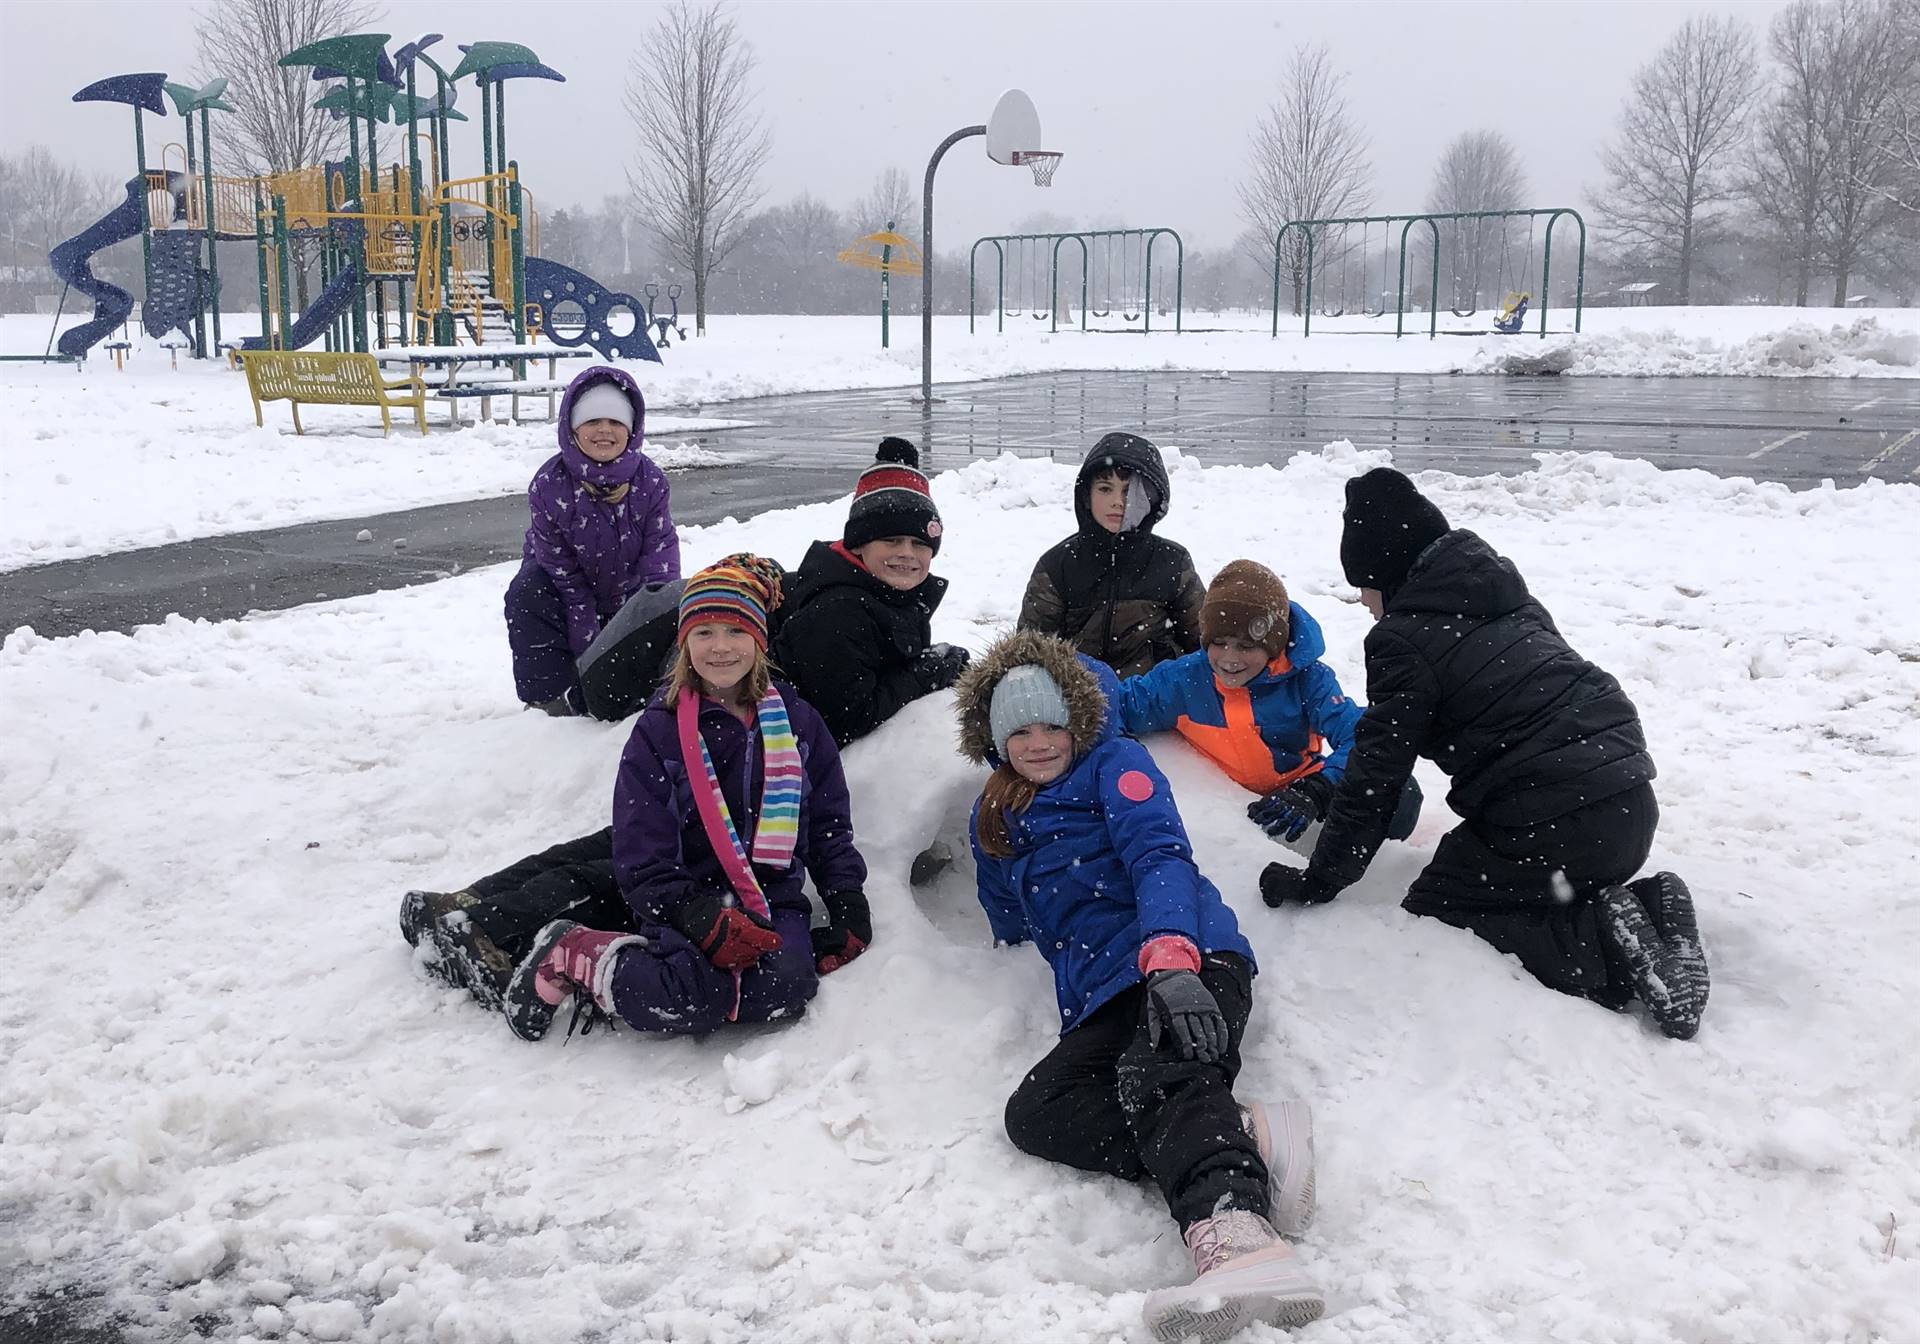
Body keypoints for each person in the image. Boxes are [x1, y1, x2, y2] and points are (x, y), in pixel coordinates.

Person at [955, 630, 1325, 1341]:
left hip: (1190, 958)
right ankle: (1240, 1134)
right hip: (1105, 993)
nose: (1039, 744)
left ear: (1079, 724)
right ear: (996, 740)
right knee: (1038, 1113)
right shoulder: (994, 813)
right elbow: (1005, 906)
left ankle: (1236, 1233)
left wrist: (1174, 963)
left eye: (1053, 726)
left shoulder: (1115, 764)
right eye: (1020, 730)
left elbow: (1159, 854)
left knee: (1160, 1075)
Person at [1261, 467, 1709, 1040]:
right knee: (1506, 876)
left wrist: (1319, 879)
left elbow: (1378, 775)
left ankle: (1606, 945)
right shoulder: (1505, 598)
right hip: (1627, 803)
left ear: (1388, 574)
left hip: (1555, 821)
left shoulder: (1401, 640)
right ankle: (1649, 904)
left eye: (1365, 587)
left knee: (1441, 906)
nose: (1366, 604)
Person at [405, 556, 873, 1040]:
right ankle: (574, 954)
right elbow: (640, 853)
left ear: (759, 640)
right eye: (704, 632)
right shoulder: (661, 731)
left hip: (770, 894)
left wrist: (847, 901)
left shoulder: (798, 724)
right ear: (684, 643)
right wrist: (699, 916)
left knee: (785, 989)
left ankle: (503, 912)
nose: (720, 648)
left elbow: (827, 827)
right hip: (688, 894)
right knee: (690, 996)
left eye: (736, 632)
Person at [1116, 559, 1422, 846]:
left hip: (1299, 789)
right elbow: (1118, 704)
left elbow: (1363, 738)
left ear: (1273, 646)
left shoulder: (1308, 680)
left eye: (1246, 646)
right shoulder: (1182, 680)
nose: (1230, 658)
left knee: (1400, 793)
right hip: (1223, 804)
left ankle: (1371, 866)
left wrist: (1318, 790)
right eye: (1219, 643)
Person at [504, 365, 679, 715]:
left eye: (615, 422)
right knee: (527, 591)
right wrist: (590, 651)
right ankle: (548, 699)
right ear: (572, 428)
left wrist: (641, 628)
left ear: (631, 430)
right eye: (592, 422)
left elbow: (659, 567)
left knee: (666, 607)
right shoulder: (548, 485)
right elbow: (562, 576)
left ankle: (647, 692)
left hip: (629, 594)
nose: (604, 431)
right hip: (564, 592)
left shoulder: (651, 483)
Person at [773, 437, 966, 747]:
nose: (907, 553)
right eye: (891, 540)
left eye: (920, 544)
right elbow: (846, 719)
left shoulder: (888, 591)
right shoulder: (837, 611)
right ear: (859, 544)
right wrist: (922, 674)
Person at [1017, 431, 1204, 679]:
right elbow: (1029, 655)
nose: (1117, 502)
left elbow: (1204, 644)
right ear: (1086, 495)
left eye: (1129, 492)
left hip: (1154, 701)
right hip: (1079, 701)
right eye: (1105, 489)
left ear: (1150, 498)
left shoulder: (1172, 562)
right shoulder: (1057, 565)